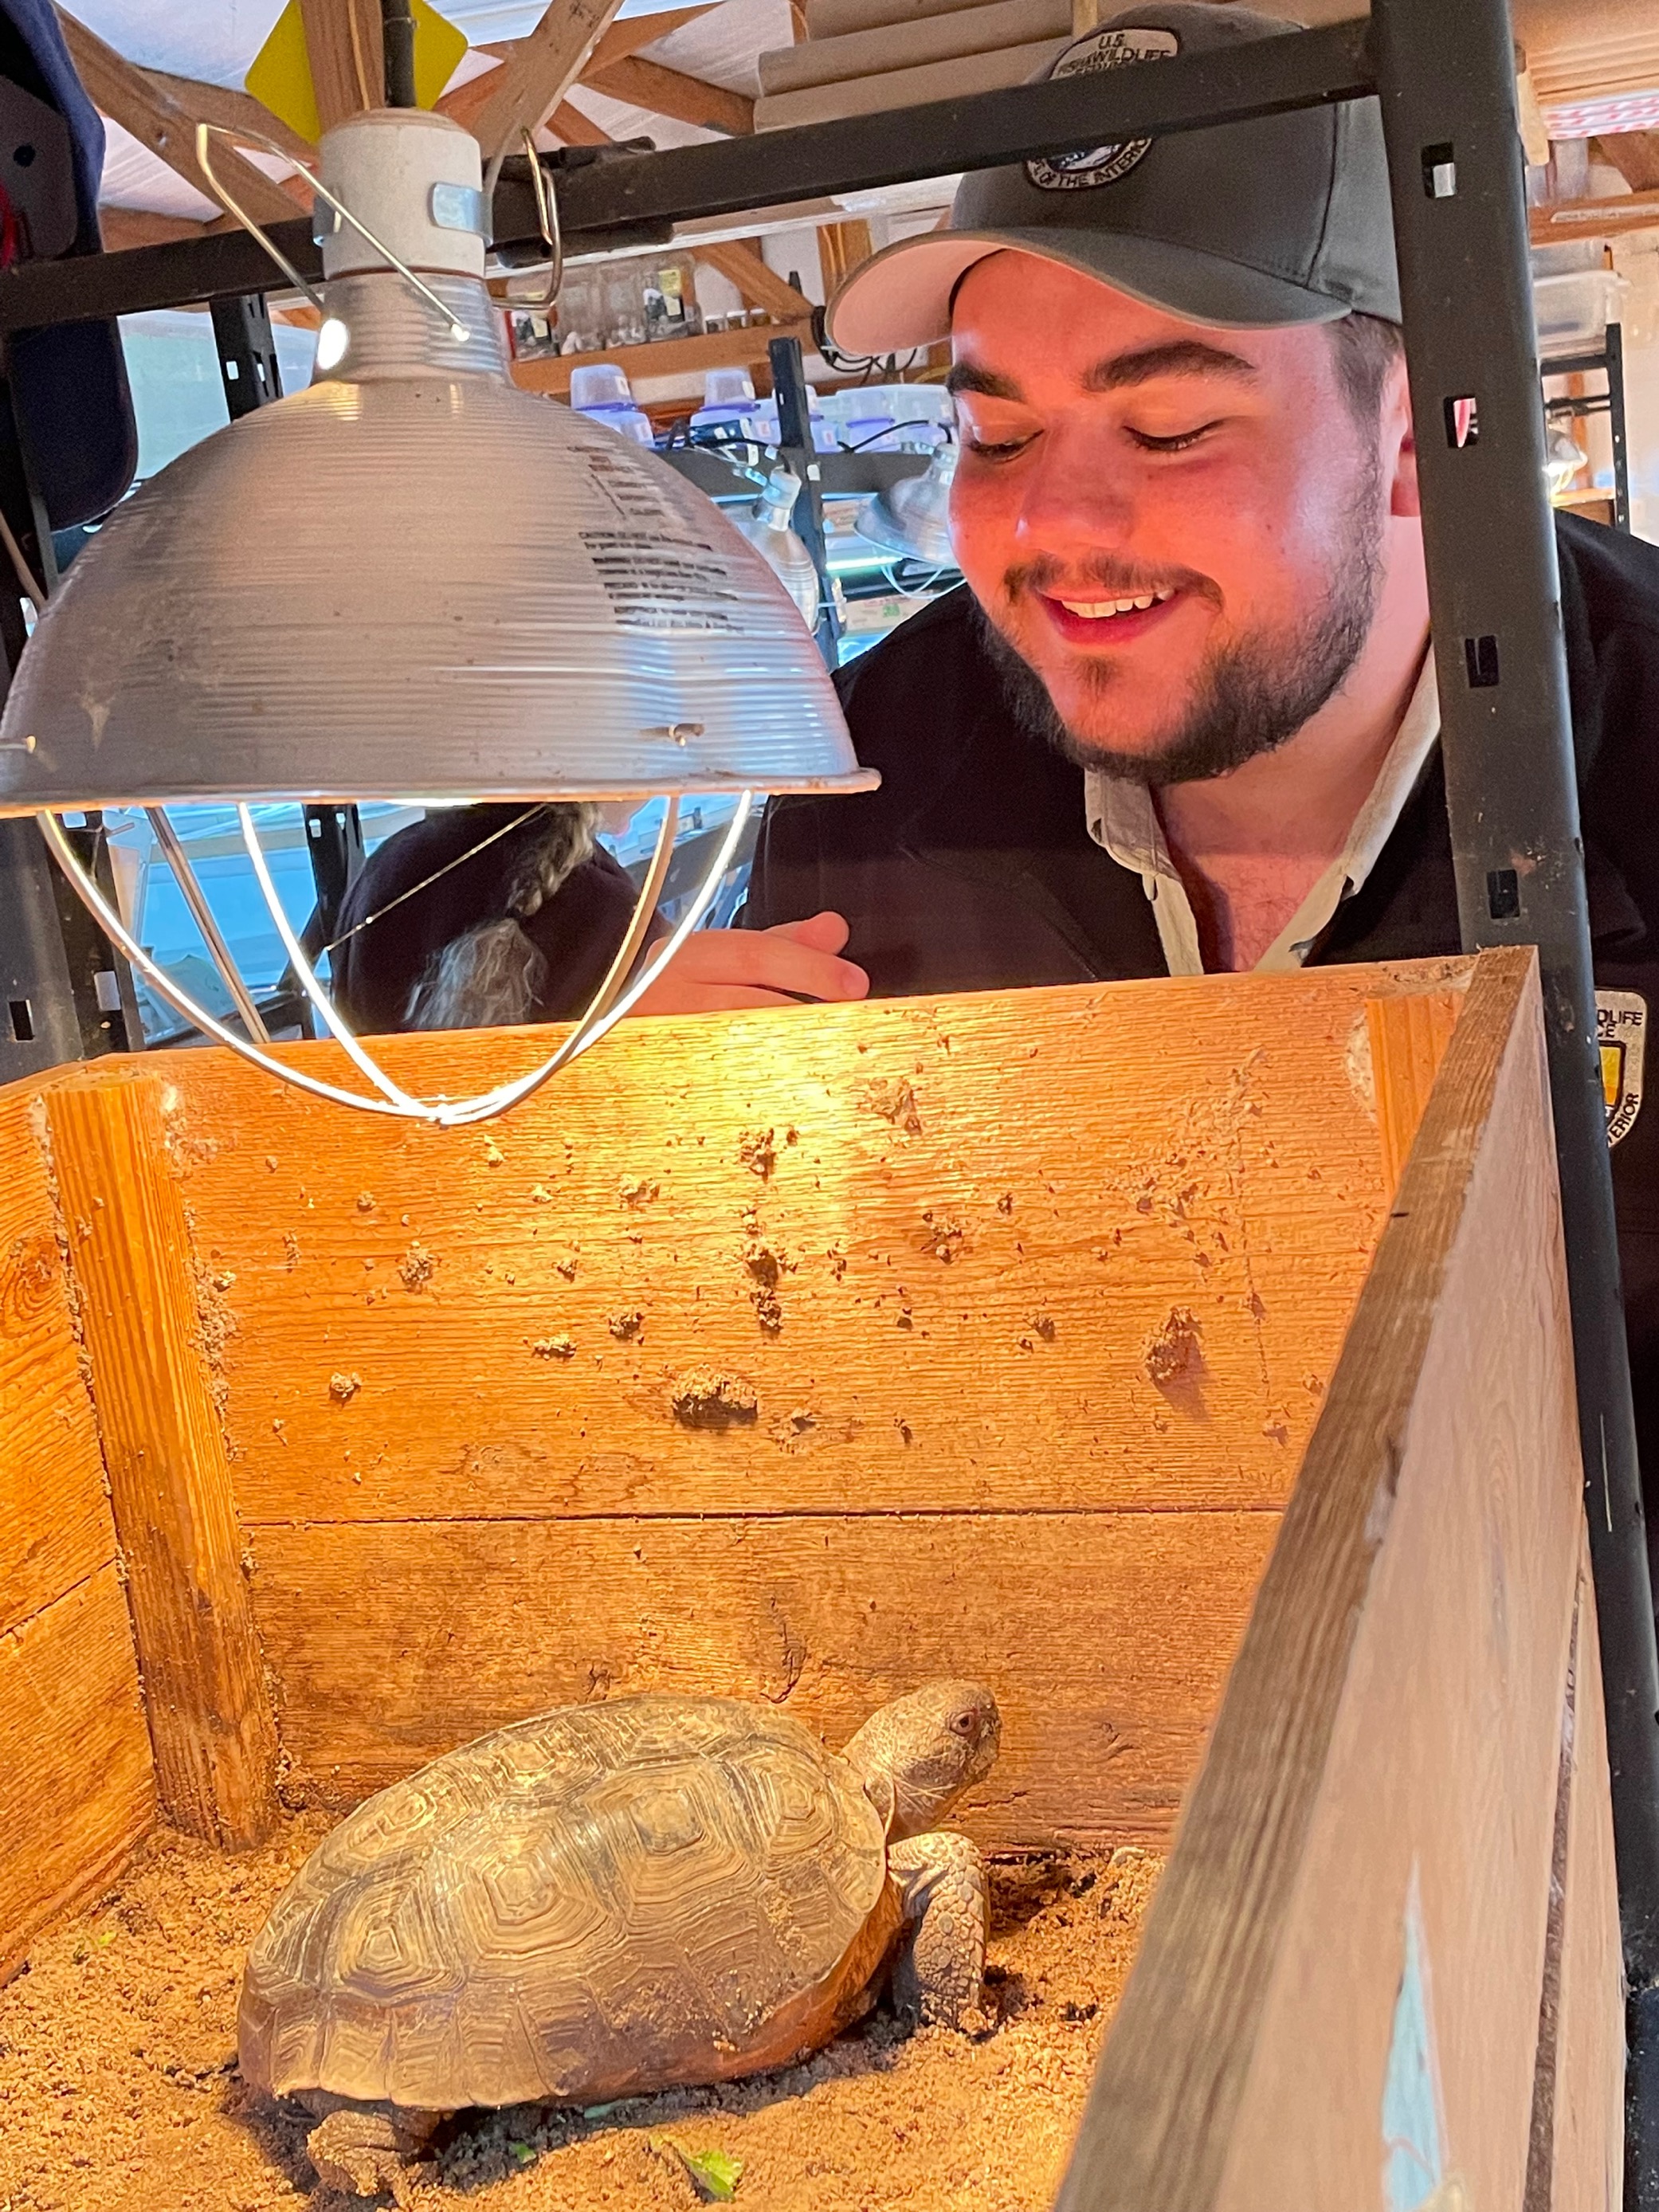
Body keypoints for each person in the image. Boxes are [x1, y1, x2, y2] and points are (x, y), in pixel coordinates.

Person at [634, 2, 1659, 1481]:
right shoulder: (869, 764)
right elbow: (856, 1331)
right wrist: (660, 1150)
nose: (1049, 523)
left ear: (1428, 436)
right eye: (994, 437)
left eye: (1170, 426)